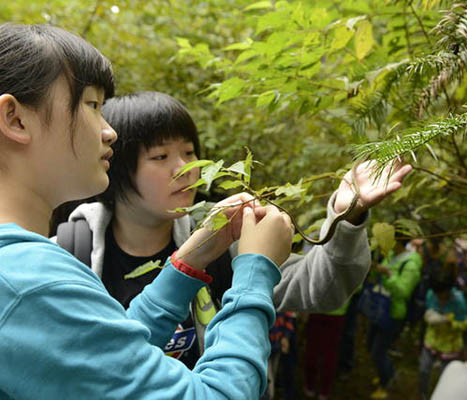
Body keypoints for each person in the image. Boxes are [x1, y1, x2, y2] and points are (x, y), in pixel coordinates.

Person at [0, 23, 295, 399]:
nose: (109, 132)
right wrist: (255, 273)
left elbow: (106, 359)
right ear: (15, 119)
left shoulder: (18, 273)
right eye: (91, 105)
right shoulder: (31, 283)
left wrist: (187, 264)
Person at [57, 90, 414, 367]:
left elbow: (322, 289)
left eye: (190, 152)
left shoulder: (221, 238)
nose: (186, 169)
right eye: (161, 157)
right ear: (115, 167)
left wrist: (345, 214)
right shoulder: (70, 255)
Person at [368, 239, 423, 399]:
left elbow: (403, 292)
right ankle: (387, 373)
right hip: (379, 308)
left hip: (393, 313)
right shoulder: (391, 254)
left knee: (379, 351)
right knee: (372, 346)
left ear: (398, 241)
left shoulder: (411, 264)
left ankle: (385, 384)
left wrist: (388, 275)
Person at [418, 255, 467, 400]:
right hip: (432, 339)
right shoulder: (431, 294)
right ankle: (423, 395)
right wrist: (430, 317)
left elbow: (464, 323)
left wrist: (449, 321)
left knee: (444, 377)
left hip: (450, 345)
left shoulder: (458, 301)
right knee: (423, 370)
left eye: (443, 293)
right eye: (437, 294)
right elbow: (429, 310)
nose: (440, 297)